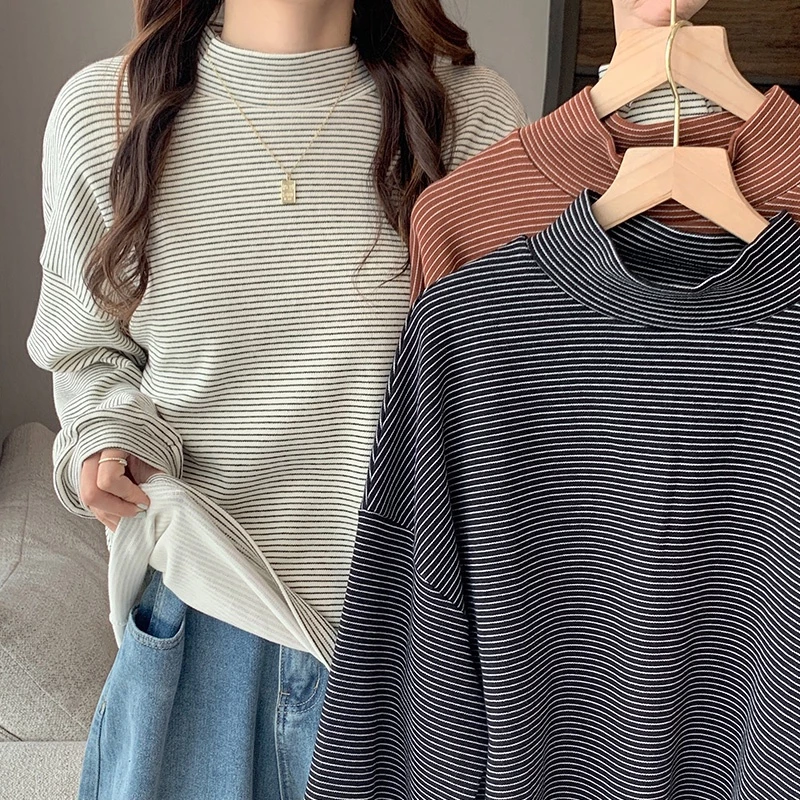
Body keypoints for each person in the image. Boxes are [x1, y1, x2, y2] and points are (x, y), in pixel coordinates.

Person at [27, 0, 709, 798]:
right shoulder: (104, 112)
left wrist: (653, 57)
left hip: (410, 639)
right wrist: (108, 434)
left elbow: (541, 365)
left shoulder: (468, 115)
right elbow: (89, 350)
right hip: (200, 618)